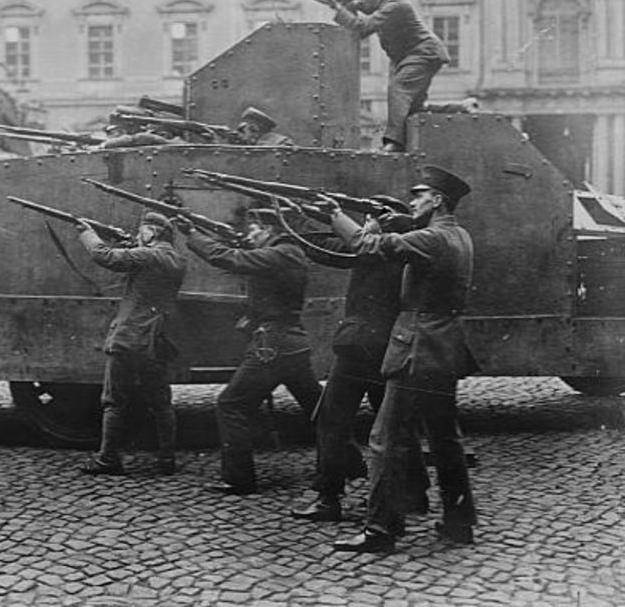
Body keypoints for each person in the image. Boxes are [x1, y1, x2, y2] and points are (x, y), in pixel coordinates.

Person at [316, 165, 477, 553]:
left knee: (385, 438)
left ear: (437, 200)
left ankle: (380, 530)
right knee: (445, 439)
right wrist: (397, 221)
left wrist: (334, 215)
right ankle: (459, 522)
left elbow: (368, 246)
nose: (412, 201)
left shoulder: (433, 238)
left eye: (418, 196)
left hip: (416, 349)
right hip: (444, 347)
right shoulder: (458, 235)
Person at [289, 198, 430, 524]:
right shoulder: (395, 248)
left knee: (331, 418)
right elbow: (327, 245)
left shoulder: (375, 249)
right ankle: (415, 493)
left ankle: (328, 497)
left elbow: (326, 250)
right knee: (398, 425)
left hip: (360, 348)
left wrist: (296, 221)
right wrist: (301, 218)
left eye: (369, 219)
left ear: (385, 223)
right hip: (386, 348)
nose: (363, 225)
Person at [176, 210, 322, 495]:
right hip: (291, 343)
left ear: (269, 229)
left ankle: (238, 478)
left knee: (231, 405)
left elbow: (228, 258)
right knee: (321, 410)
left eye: (254, 230)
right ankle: (351, 464)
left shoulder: (283, 253)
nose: (250, 235)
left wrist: (192, 234)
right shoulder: (284, 253)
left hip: (272, 346)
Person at [77, 211, 186, 477]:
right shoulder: (177, 259)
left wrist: (86, 232)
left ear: (152, 233)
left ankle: (108, 459)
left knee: (114, 401)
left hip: (128, 339)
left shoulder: (148, 255)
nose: (138, 235)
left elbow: (104, 256)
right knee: (161, 402)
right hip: (156, 340)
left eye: (142, 231)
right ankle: (167, 459)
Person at [308, 0, 450, 153]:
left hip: (422, 52)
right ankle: (459, 108)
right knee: (414, 106)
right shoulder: (382, 3)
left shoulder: (396, 5)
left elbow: (363, 27)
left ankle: (395, 143)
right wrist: (336, 3)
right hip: (406, 57)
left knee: (399, 91)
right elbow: (361, 17)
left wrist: (337, 7)